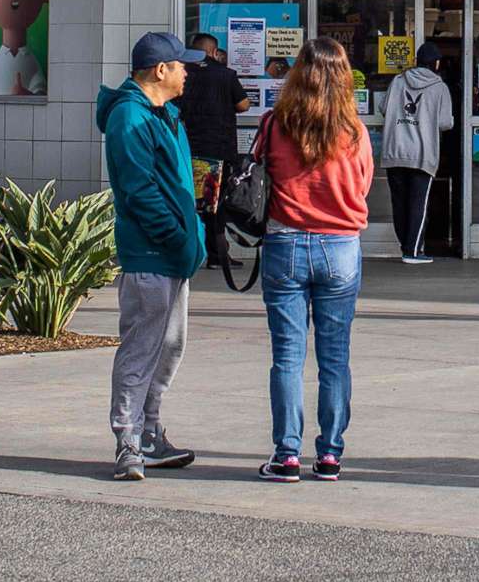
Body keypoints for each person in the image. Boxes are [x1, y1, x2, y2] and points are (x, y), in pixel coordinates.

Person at [255, 37, 373, 481]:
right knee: (335, 356)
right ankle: (330, 454)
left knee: (287, 355)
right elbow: (361, 186)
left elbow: (257, 175)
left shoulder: (274, 123)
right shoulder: (355, 131)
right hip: (340, 246)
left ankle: (286, 454)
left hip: (285, 244)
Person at [98, 30, 207, 480]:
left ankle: (148, 432)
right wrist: (180, 238)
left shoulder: (164, 114)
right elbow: (139, 191)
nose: (188, 72)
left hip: (172, 255)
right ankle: (129, 440)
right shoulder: (130, 117)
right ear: (160, 71)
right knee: (142, 349)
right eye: (182, 65)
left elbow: (166, 183)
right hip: (151, 255)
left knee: (170, 346)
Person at [177, 31, 251, 267]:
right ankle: (218, 255)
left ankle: (192, 251)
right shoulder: (225, 75)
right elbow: (243, 105)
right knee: (215, 205)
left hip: (187, 149)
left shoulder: (182, 74)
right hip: (218, 150)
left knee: (189, 200)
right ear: (214, 52)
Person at [379, 41, 454, 264]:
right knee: (418, 204)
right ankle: (413, 251)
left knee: (399, 203)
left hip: (395, 150)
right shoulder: (439, 87)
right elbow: (444, 123)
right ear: (436, 63)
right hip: (422, 154)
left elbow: (384, 108)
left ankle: (406, 246)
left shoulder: (398, 81)